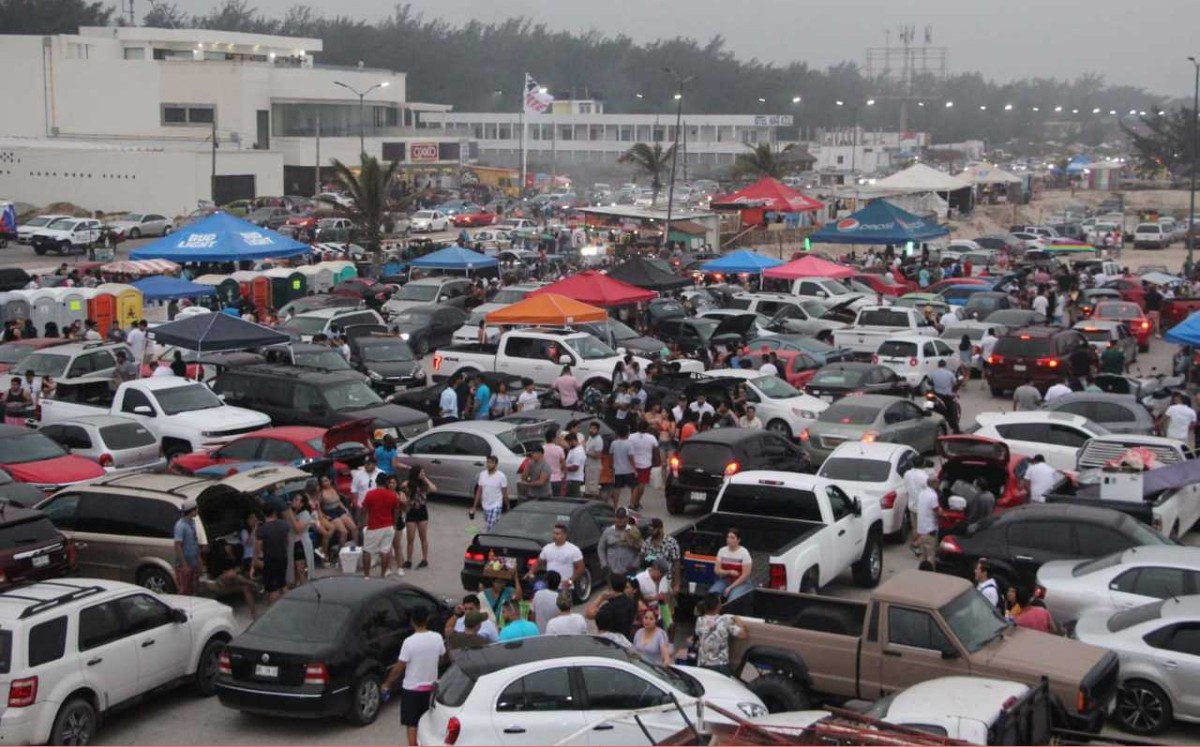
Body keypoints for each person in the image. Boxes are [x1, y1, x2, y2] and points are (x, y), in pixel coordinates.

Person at [382, 605, 445, 746]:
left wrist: (387, 683)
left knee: (412, 724)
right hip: (431, 688)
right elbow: (441, 658)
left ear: (412, 621)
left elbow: (399, 668)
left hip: (412, 690)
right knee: (429, 722)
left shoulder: (409, 642)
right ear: (427, 619)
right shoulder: (437, 637)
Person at [694, 594, 747, 676]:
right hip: (720, 666)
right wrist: (738, 620)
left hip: (703, 665)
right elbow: (742, 635)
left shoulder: (700, 620)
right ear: (718, 606)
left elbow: (698, 633)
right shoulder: (725, 620)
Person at [361, 472, 400, 578]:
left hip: (374, 526)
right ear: (386, 483)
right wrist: (394, 524)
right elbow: (396, 510)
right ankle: (382, 575)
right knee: (385, 551)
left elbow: (364, 510)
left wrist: (362, 522)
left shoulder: (370, 494)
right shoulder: (392, 495)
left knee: (367, 551)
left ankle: (366, 575)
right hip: (388, 526)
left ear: (376, 482)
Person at [254, 500, 292, 606]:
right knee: (283, 584)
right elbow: (287, 541)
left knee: (272, 589)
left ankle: (272, 612)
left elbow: (258, 548)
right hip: (283, 557)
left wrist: (256, 560)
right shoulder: (284, 524)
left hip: (270, 560)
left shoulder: (262, 529)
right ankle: (290, 604)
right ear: (274, 512)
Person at [531, 523, 585, 592]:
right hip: (549, 587)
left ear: (565, 535)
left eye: (557, 534)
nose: (554, 536)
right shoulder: (547, 548)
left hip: (564, 588)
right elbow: (539, 562)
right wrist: (531, 572)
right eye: (553, 533)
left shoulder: (573, 549)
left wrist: (570, 581)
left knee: (562, 603)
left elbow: (581, 567)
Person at [585, 573, 639, 639]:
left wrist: (601, 598)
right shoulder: (632, 603)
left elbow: (588, 614)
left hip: (610, 642)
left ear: (611, 587)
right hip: (626, 640)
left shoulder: (608, 608)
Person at [403, 464, 435, 570]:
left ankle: (424, 559)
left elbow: (434, 489)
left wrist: (425, 478)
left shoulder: (424, 484)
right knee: (410, 538)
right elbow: (403, 497)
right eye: (421, 472)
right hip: (411, 511)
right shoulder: (407, 484)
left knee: (423, 537)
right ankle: (409, 560)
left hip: (422, 511)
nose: (423, 474)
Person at [315, 474, 354, 560]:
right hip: (330, 512)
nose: (324, 483)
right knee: (344, 532)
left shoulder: (334, 488)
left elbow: (339, 500)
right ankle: (341, 555)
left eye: (326, 480)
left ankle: (356, 548)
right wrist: (324, 516)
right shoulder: (321, 493)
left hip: (339, 509)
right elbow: (318, 507)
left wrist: (345, 508)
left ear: (330, 481)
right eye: (322, 481)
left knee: (354, 528)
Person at [709, 528, 752, 602]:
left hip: (741, 582)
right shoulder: (722, 551)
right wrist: (729, 572)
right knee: (711, 595)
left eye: (732, 538)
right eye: (728, 537)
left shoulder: (744, 553)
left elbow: (745, 575)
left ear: (738, 540)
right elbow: (716, 570)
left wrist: (730, 588)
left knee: (733, 598)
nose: (729, 539)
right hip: (725, 580)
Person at [598, 506, 642, 578]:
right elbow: (601, 548)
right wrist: (604, 564)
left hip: (629, 571)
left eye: (623, 517)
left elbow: (642, 550)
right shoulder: (608, 531)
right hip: (612, 571)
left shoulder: (634, 531)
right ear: (615, 518)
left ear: (627, 518)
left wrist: (635, 565)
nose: (620, 520)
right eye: (618, 517)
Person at [173, 499, 203, 596]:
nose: (197, 511)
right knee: (184, 589)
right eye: (196, 509)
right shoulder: (180, 526)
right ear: (192, 511)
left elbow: (194, 541)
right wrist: (184, 564)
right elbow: (178, 546)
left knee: (193, 588)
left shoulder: (193, 523)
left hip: (194, 562)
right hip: (184, 565)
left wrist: (199, 559)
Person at [472, 455, 509, 531]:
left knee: (490, 527)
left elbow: (505, 493)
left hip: (496, 505)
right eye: (488, 462)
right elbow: (479, 491)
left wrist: (508, 506)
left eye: (491, 462)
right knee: (490, 526)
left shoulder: (501, 476)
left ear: (496, 464)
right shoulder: (482, 474)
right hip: (485, 505)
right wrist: (474, 506)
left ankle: (489, 540)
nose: (489, 464)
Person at [629, 421, 657, 510]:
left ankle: (633, 503)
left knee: (634, 484)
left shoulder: (631, 437)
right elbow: (656, 449)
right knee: (641, 484)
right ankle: (636, 502)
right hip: (646, 464)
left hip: (633, 463)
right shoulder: (651, 438)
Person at [914, 476, 941, 568]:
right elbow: (936, 511)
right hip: (930, 530)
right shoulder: (933, 495)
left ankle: (922, 573)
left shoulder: (922, 493)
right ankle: (930, 574)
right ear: (934, 484)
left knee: (923, 556)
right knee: (931, 555)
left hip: (921, 530)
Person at [350, 454, 381, 532]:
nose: (366, 466)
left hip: (376, 505)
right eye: (365, 464)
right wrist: (355, 502)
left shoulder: (381, 473)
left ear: (374, 464)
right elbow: (354, 489)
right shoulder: (358, 474)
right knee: (362, 525)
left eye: (369, 464)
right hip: (362, 505)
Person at [928, 359, 960, 433]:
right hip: (947, 395)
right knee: (952, 412)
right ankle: (956, 430)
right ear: (945, 365)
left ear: (938, 365)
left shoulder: (933, 373)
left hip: (936, 395)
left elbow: (930, 381)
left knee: (929, 405)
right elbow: (955, 383)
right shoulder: (949, 373)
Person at [610, 424, 637, 507]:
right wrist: (635, 469)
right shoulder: (629, 444)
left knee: (617, 488)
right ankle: (632, 504)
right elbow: (631, 457)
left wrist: (612, 466)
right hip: (629, 470)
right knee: (634, 487)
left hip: (617, 470)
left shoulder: (614, 443)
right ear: (627, 433)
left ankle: (615, 505)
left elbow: (611, 455)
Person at [542, 429, 566, 497]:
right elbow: (563, 465)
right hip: (557, 479)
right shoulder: (559, 449)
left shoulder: (542, 449)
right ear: (553, 438)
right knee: (556, 500)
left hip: (545, 479)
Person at [583, 421, 604, 497]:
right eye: (590, 428)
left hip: (594, 467)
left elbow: (598, 455)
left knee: (592, 489)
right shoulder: (590, 437)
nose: (591, 430)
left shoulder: (598, 440)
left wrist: (585, 452)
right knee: (588, 487)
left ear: (597, 430)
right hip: (588, 465)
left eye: (594, 429)